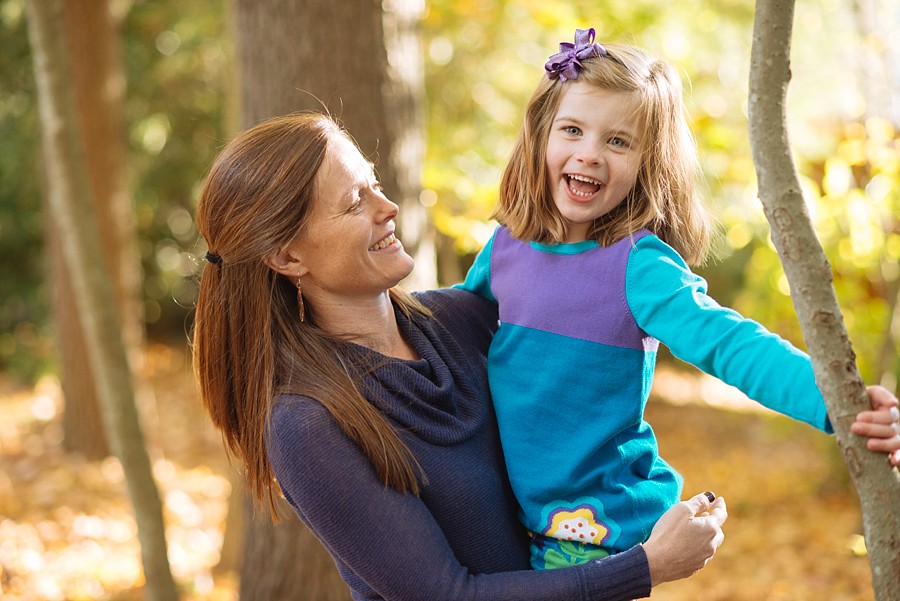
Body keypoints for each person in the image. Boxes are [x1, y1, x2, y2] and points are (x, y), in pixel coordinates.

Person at [192, 112, 732, 600]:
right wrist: (646, 566)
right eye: (355, 202)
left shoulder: (462, 319)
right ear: (288, 256)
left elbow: (584, 333)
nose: (389, 207)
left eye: (374, 184)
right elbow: (448, 594)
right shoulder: (307, 424)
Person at [457, 27, 900, 571]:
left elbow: (730, 343)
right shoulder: (505, 248)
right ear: (541, 137)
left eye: (618, 141)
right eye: (572, 130)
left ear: (648, 164)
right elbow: (448, 328)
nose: (590, 154)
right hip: (509, 509)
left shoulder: (638, 266)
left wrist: (835, 399)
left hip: (593, 527)